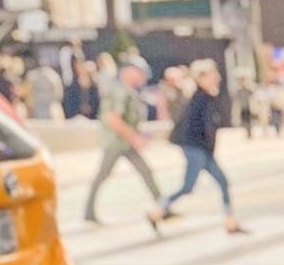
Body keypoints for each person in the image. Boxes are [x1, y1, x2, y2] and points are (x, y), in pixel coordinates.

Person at [149, 59, 246, 235]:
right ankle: (157, 211)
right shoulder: (199, 99)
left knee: (221, 182)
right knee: (188, 187)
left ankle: (230, 221)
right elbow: (197, 128)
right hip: (196, 149)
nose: (216, 77)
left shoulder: (207, 97)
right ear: (202, 78)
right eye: (211, 74)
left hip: (203, 150)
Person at [82, 53, 161, 227]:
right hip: (116, 143)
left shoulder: (129, 91)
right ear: (128, 71)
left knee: (145, 171)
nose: (142, 77)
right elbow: (113, 119)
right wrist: (135, 138)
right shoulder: (119, 90)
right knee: (103, 174)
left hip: (125, 142)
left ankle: (163, 205)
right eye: (139, 72)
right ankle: (88, 212)